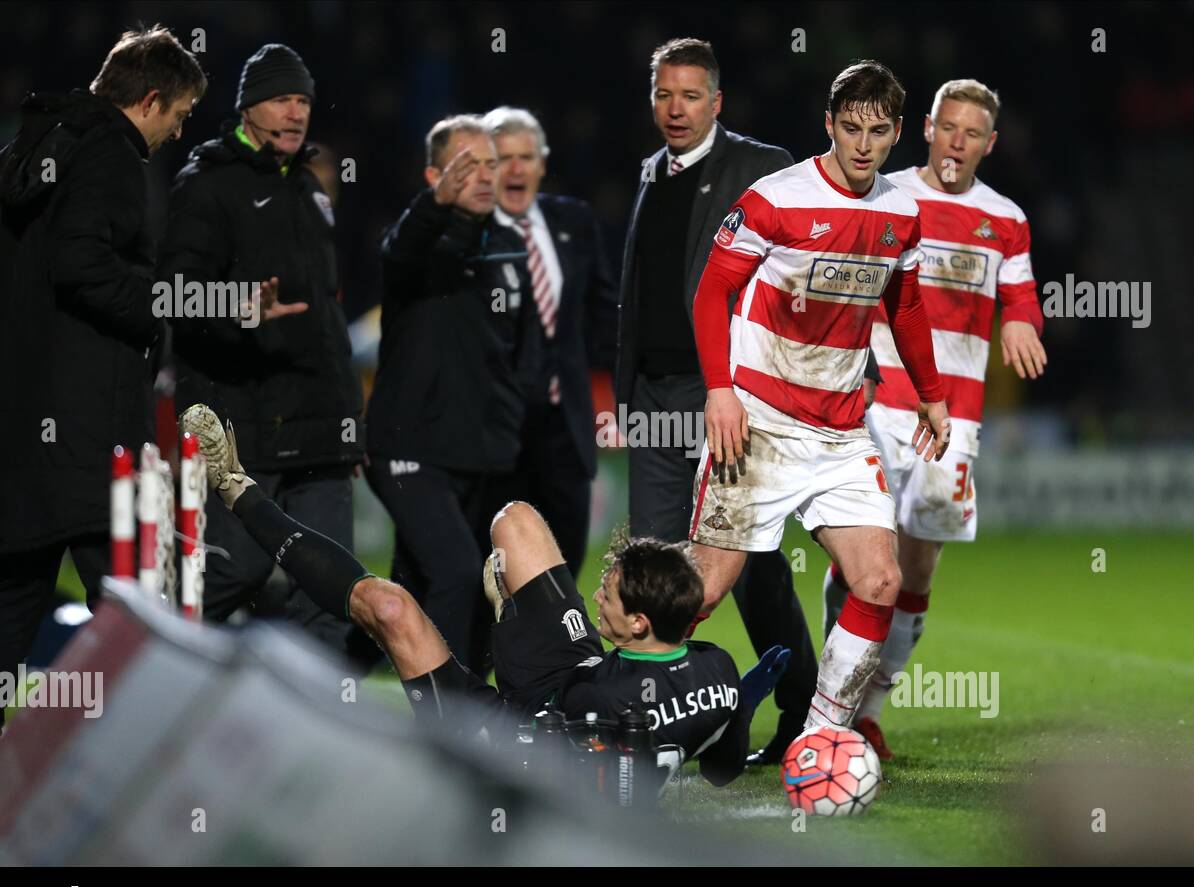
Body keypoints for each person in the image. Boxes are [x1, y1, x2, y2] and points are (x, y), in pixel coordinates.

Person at [180, 403, 785, 787]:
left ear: (636, 622)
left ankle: (238, 489)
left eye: (610, 590)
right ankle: (512, 614)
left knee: (389, 608)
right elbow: (724, 770)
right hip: (578, 669)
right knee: (518, 520)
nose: (596, 587)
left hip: (512, 738)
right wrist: (738, 699)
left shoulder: (604, 717)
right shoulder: (714, 668)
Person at [617, 37, 864, 764]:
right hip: (658, 402)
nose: (676, 108)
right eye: (664, 94)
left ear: (717, 102)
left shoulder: (763, 169)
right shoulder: (649, 173)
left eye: (691, 95)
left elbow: (812, 274)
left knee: (752, 569)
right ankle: (653, 721)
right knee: (650, 567)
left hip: (731, 399)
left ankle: (799, 711)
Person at [687, 59, 953, 734]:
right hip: (761, 424)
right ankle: (628, 713)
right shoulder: (775, 199)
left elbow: (907, 303)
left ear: (897, 133)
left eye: (879, 130)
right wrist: (721, 391)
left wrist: (931, 394)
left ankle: (822, 736)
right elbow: (711, 293)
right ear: (828, 124)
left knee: (881, 583)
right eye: (851, 127)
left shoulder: (901, 213)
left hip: (841, 432)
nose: (864, 145)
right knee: (702, 592)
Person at [822, 79, 1046, 757]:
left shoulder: (1004, 219)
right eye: (948, 128)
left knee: (916, 571)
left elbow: (1024, 297)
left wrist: (1023, 326)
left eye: (972, 134)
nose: (957, 143)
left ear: (990, 144)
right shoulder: (887, 196)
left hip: (956, 421)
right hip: (877, 403)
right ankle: (831, 704)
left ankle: (868, 710)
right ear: (925, 128)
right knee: (866, 560)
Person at [0, 25, 206, 725]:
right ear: (149, 100)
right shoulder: (110, 155)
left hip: (26, 432)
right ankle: (153, 769)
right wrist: (160, 311)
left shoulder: (34, 147)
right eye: (179, 115)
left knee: (13, 607)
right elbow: (82, 266)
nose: (179, 133)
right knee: (140, 611)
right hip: (90, 437)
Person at [159, 43, 364, 657]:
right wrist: (238, 309)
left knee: (333, 588)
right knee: (231, 571)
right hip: (241, 421)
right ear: (248, 107)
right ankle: (161, 674)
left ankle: (317, 733)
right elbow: (171, 298)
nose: (296, 112)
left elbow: (327, 318)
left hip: (319, 424)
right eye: (281, 99)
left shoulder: (310, 188)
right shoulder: (206, 186)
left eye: (302, 100)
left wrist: (348, 418)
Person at [364, 115, 541, 670]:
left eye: (491, 163)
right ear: (434, 177)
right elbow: (401, 252)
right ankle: (452, 715)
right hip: (409, 447)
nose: (487, 176)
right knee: (458, 574)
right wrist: (435, 206)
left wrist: (510, 427)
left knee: (420, 583)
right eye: (468, 166)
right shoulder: (417, 247)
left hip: (480, 455)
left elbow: (525, 352)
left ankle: (332, 675)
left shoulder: (510, 246)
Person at [480, 106, 619, 578]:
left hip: (564, 424)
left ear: (542, 162)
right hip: (496, 428)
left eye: (526, 157)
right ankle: (491, 653)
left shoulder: (574, 221)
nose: (516, 169)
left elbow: (605, 312)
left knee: (567, 556)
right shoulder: (469, 233)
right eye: (503, 158)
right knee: (496, 566)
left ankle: (560, 651)